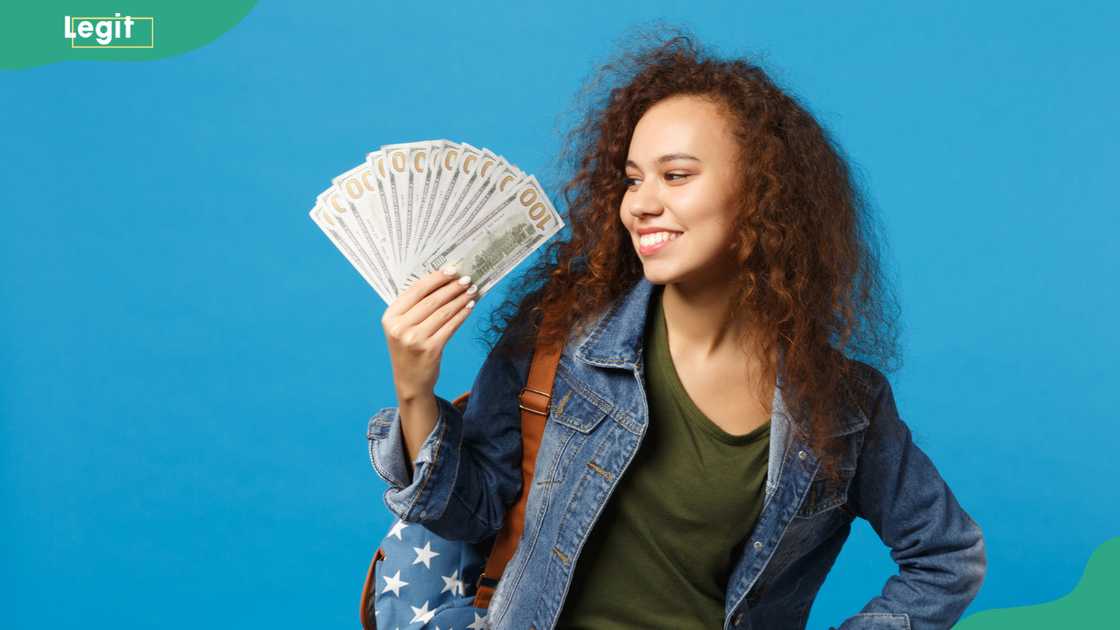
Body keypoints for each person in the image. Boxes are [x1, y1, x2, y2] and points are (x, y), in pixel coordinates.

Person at [369, 30, 986, 630]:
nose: (639, 203)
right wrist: (414, 391)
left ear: (762, 198)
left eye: (677, 175)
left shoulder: (845, 407)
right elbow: (465, 511)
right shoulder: (558, 340)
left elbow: (946, 556)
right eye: (634, 178)